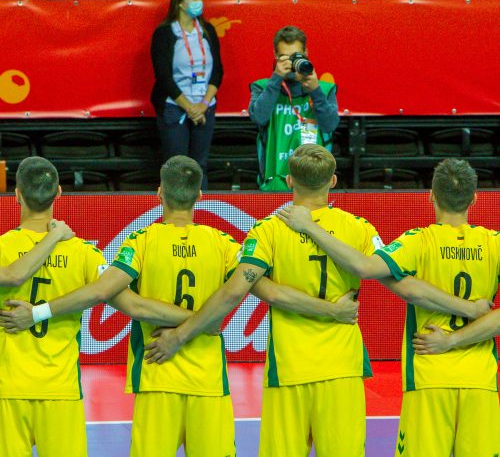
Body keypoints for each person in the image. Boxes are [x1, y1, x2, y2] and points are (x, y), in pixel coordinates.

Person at [130, 145, 489, 457]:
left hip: (289, 371)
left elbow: (239, 290)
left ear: (289, 181)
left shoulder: (267, 230)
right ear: (333, 182)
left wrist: (181, 333)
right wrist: (468, 309)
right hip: (342, 371)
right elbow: (402, 284)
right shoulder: (358, 229)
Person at [1, 155, 359, 456]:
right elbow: (261, 291)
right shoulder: (222, 244)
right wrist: (203, 321)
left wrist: (37, 311)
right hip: (206, 384)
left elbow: (115, 297)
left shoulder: (140, 242)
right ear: (200, 195)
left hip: (153, 377)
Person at [278, 157, 500, 457]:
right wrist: (457, 337)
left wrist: (309, 227)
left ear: (431, 195)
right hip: (481, 382)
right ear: (475, 198)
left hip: (428, 377)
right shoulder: (494, 243)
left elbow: (364, 267)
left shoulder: (418, 241)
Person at [0, 157, 105, 457]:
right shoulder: (85, 253)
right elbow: (117, 296)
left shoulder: (3, 248)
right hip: (61, 391)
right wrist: (194, 322)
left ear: (17, 194)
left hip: (8, 391)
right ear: (59, 192)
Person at [151, 0, 223, 190]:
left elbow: (217, 71)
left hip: (204, 107)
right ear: (180, 2)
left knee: (200, 164)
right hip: (176, 107)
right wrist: (189, 107)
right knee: (177, 165)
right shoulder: (164, 33)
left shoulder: (207, 30)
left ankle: (200, 213)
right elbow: (163, 76)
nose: (199, 1)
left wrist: (203, 104)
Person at [249, 25, 340, 191]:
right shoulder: (263, 87)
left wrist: (315, 91)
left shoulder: (324, 89)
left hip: (314, 183)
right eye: (284, 57)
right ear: (275, 56)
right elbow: (259, 118)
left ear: (306, 53)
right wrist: (276, 79)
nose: (291, 63)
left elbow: (330, 125)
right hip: (274, 183)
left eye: (295, 56)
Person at [413, 308, 500, 354]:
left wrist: (449, 341)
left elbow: (410, 291)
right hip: (481, 373)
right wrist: (474, 308)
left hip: (427, 370)